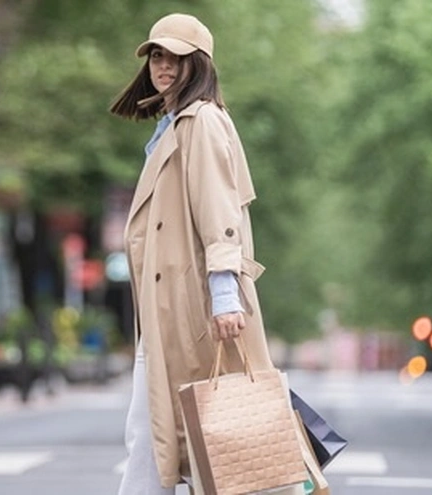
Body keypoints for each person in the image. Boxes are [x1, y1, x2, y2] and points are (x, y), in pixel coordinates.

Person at [111, 13, 293, 494]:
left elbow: (219, 210)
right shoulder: (176, 123)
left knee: (165, 433)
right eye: (156, 55)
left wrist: (224, 293)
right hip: (167, 309)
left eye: (174, 56)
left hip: (190, 308)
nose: (162, 66)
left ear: (199, 64)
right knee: (159, 433)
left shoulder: (202, 122)